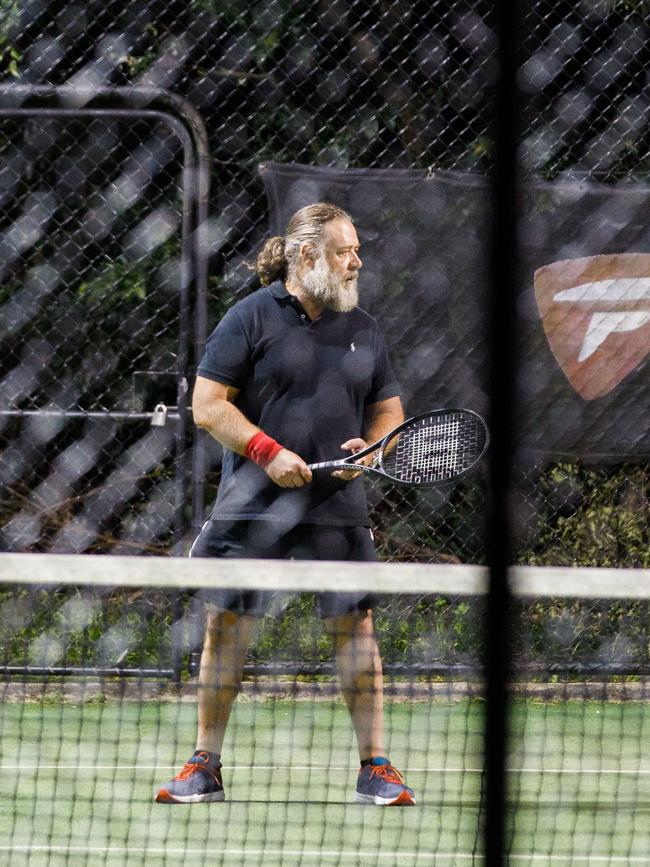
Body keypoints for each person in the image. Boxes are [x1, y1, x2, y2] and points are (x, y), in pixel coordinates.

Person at [155, 202, 415, 807]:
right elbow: (209, 404)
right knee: (226, 628)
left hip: (335, 506)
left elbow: (389, 409)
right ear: (305, 256)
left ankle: (376, 767)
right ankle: (205, 765)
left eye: (357, 249)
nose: (357, 260)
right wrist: (268, 452)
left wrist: (374, 450)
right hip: (251, 503)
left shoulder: (364, 328)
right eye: (345, 250)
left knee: (356, 629)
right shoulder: (249, 318)